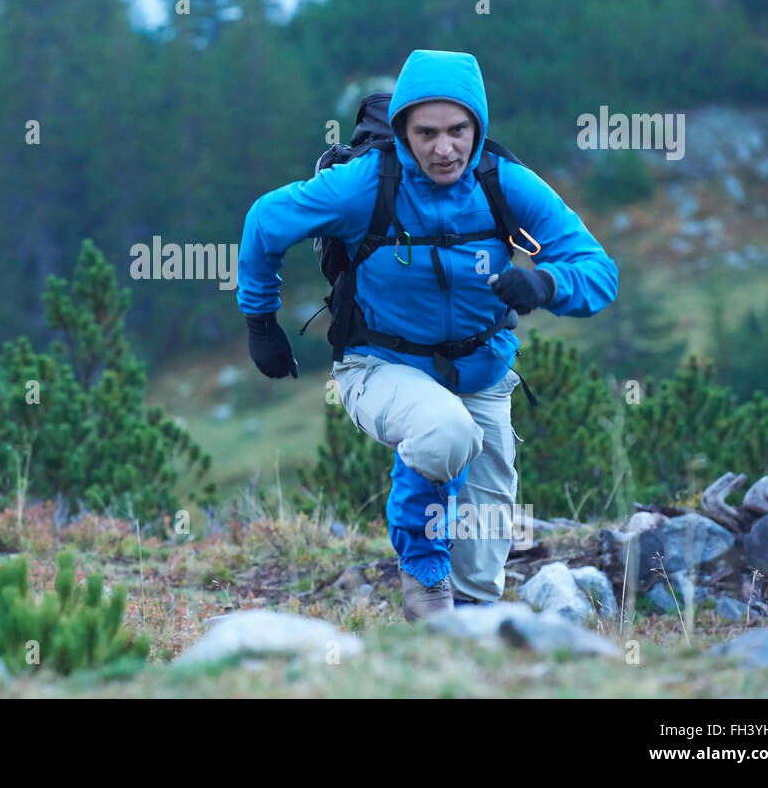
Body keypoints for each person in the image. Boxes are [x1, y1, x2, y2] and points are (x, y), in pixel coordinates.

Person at [236, 49, 618, 621]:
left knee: (483, 565)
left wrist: (546, 283)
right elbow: (267, 219)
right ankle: (421, 570)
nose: (445, 149)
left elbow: (599, 271)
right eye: (427, 132)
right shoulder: (365, 186)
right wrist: (260, 321)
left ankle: (458, 643)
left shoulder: (502, 181)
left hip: (483, 374)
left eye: (459, 130)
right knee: (443, 431)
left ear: (477, 126)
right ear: (402, 131)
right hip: (379, 366)